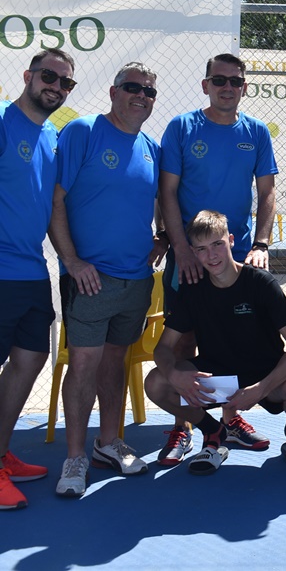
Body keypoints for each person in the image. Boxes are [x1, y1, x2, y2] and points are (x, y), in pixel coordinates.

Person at [49, 63, 165, 497]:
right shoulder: (83, 131)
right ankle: (75, 457)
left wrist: (163, 238)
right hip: (89, 280)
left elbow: (159, 202)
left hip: (135, 281)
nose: (141, 96)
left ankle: (108, 443)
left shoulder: (151, 147)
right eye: (133, 88)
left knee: (115, 362)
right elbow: (55, 201)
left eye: (149, 92)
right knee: (83, 364)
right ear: (114, 92)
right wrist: (72, 260)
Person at [157, 53, 279, 463]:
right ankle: (185, 426)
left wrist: (259, 245)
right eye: (220, 80)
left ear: (244, 87)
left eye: (235, 81)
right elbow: (168, 193)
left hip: (237, 256)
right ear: (206, 84)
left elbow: (266, 193)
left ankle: (230, 421)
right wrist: (181, 249)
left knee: (235, 337)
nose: (228, 87)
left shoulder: (257, 132)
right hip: (189, 256)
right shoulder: (182, 127)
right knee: (184, 341)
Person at [144, 211, 286, 475]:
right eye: (202, 249)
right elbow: (163, 348)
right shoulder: (193, 289)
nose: (211, 255)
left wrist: (260, 389)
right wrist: (172, 373)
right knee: (156, 382)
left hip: (265, 377)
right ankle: (213, 431)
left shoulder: (260, 283)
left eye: (217, 244)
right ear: (193, 252)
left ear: (231, 240)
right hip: (218, 380)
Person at [0, 49, 75, 510]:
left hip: (31, 272)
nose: (57, 86)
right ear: (28, 76)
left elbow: (52, 209)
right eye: (49, 76)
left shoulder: (51, 135)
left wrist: (71, 259)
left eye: (66, 83)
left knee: (28, 363)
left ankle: (3, 453)